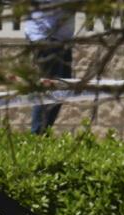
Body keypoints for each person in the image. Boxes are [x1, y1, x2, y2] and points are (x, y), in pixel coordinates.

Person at [24, 0, 75, 134]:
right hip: (49, 38)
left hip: (56, 38)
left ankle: (42, 132)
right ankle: (38, 134)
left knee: (61, 87)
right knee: (51, 87)